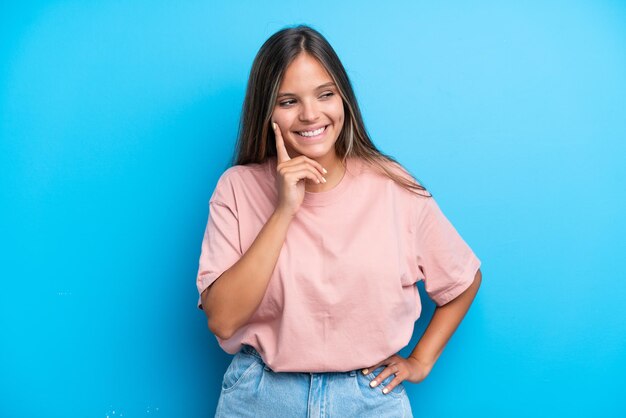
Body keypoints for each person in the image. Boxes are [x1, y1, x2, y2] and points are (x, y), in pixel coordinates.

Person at [196, 24, 482, 418]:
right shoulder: (237, 188)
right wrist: (283, 211)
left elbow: (463, 279)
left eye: (325, 94)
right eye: (288, 101)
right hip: (261, 398)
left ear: (343, 98)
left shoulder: (392, 187)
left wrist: (420, 360)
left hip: (368, 399)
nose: (311, 114)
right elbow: (223, 320)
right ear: (267, 110)